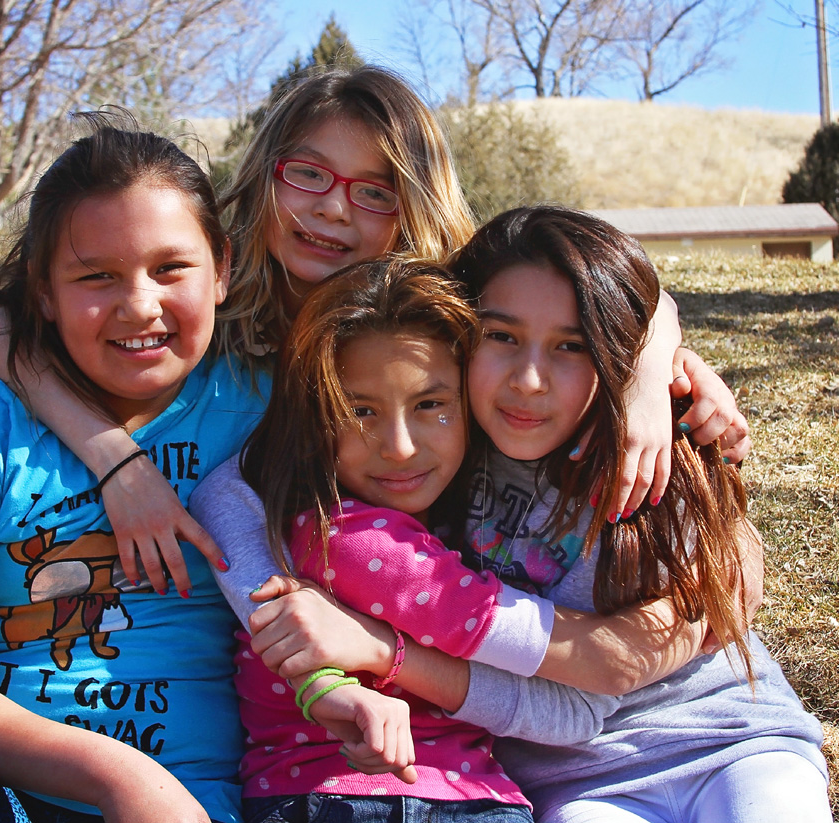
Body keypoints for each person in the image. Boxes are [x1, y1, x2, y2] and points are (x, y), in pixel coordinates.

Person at [0, 66, 751, 609]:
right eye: (309, 173)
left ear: (411, 209)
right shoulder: (211, 303)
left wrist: (652, 366)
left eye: (374, 192)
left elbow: (601, 291)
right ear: (268, 171)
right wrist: (117, 462)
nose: (335, 209)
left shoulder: (437, 311)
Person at [240, 206, 831, 823]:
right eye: (501, 337)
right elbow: (246, 480)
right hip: (575, 781)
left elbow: (638, 300)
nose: (528, 380)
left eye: (571, 347)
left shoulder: (646, 451)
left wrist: (650, 378)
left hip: (733, 740)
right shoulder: (434, 458)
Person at [0, 116, 281, 823]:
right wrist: (121, 778)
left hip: (224, 800)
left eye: (170, 268)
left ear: (222, 267)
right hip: (0, 795)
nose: (139, 304)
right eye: (95, 276)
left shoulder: (266, 403)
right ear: (43, 291)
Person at [217, 256, 578, 823]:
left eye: (430, 405)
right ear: (314, 421)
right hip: (359, 800)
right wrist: (644, 644)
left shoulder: (463, 523)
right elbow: (568, 695)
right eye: (360, 411)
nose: (400, 446)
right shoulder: (347, 540)